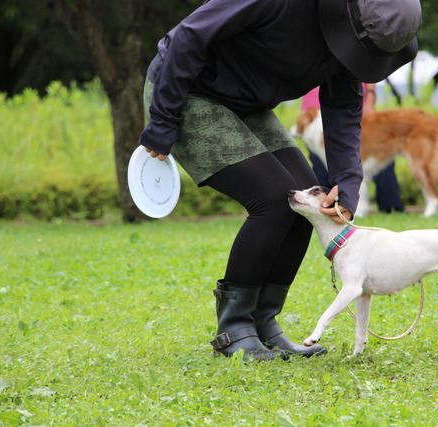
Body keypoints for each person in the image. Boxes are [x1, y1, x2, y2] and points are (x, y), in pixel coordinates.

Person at [139, 0, 421, 360]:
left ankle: (264, 324)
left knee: (305, 202)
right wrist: (163, 120)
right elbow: (189, 36)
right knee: (274, 199)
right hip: (186, 91)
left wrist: (347, 184)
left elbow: (345, 106)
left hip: (245, 103)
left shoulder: (356, 40)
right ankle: (235, 329)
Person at [301, 85, 406, 213]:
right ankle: (325, 208)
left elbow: (370, 73)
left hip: (352, 111)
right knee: (322, 169)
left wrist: (370, 98)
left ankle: (391, 206)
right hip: (315, 115)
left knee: (378, 163)